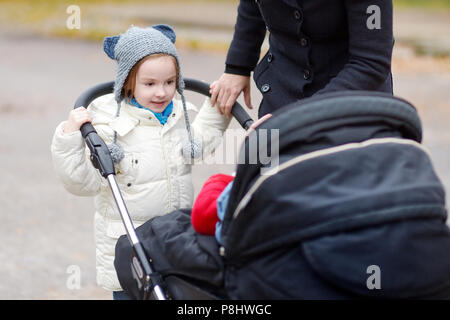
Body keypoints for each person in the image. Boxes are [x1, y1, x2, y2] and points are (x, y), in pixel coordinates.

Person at [50, 24, 230, 299]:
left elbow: (202, 139)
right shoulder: (109, 127)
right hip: (129, 254)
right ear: (128, 82)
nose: (161, 92)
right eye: (150, 84)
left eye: (169, 82)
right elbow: (81, 182)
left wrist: (217, 106)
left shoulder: (176, 118)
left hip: (173, 248)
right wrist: (69, 136)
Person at [210, 0, 394, 118]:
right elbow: (252, 5)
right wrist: (237, 67)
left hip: (351, 105)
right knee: (264, 174)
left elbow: (371, 63)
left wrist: (298, 117)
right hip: (281, 93)